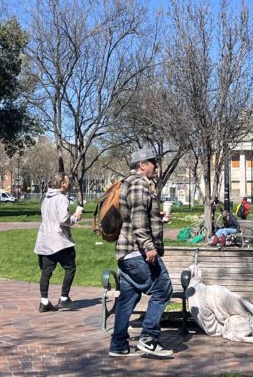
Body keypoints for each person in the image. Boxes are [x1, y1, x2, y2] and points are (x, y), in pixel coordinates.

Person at [108, 148, 174, 358]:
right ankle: (148, 338)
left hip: (126, 253)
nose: (156, 165)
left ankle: (118, 345)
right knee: (163, 289)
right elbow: (137, 219)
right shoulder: (139, 183)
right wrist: (149, 246)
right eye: (154, 162)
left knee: (128, 297)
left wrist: (157, 215)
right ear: (142, 164)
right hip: (136, 252)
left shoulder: (131, 184)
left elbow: (138, 214)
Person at [34, 172, 82, 313]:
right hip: (59, 240)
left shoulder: (46, 198)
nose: (70, 184)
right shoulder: (61, 198)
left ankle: (44, 301)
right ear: (62, 183)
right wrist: (75, 217)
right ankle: (64, 297)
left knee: (46, 271)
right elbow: (63, 220)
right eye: (68, 181)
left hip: (45, 240)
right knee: (70, 267)